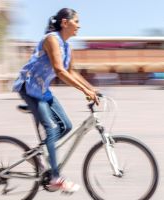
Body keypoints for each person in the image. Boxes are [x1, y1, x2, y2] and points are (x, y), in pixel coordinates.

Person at [12, 8, 99, 193]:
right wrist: (84, 90)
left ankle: (36, 154)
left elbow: (72, 71)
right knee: (51, 128)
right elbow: (60, 70)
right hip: (29, 87)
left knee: (66, 126)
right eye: (76, 21)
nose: (80, 25)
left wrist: (92, 89)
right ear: (64, 23)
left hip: (42, 90)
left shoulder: (67, 46)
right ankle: (55, 178)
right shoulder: (52, 39)